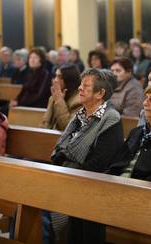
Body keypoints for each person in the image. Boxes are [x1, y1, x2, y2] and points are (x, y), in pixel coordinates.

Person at [51, 68, 124, 244]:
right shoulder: (81, 114)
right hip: (70, 176)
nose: (80, 89)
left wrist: (71, 171)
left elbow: (100, 161)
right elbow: (60, 148)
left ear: (100, 93)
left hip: (91, 186)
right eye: (80, 85)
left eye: (86, 86)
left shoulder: (111, 118)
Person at [41, 63, 82, 131]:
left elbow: (67, 127)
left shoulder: (79, 101)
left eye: (60, 77)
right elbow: (45, 123)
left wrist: (59, 101)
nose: (55, 80)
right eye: (55, 76)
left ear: (69, 79)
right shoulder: (54, 97)